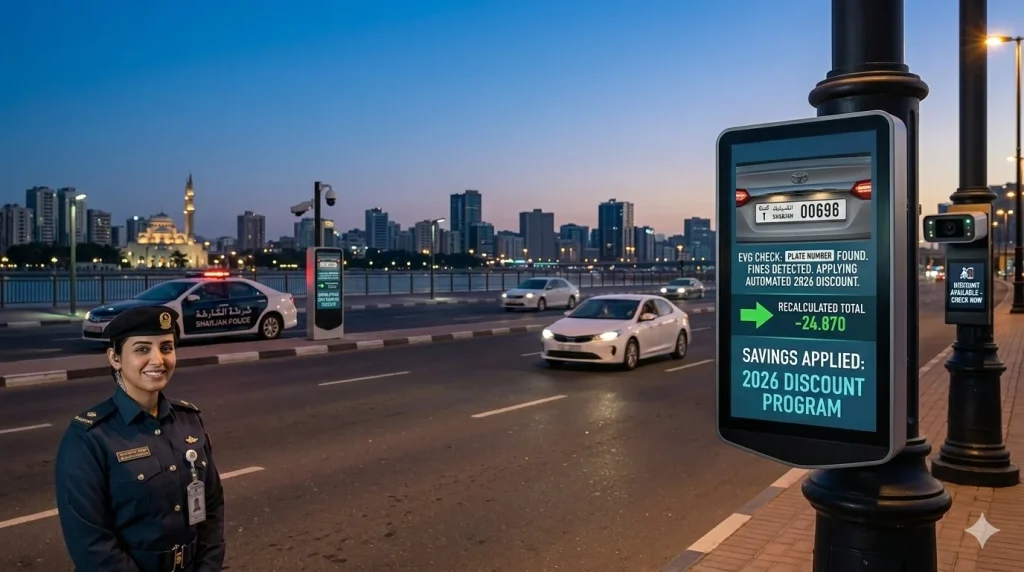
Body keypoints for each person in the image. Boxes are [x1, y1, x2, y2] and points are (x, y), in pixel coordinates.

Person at [55, 305, 225, 571]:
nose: (158, 360)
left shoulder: (189, 420)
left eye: (166, 348)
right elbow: (90, 543)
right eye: (142, 349)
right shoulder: (90, 437)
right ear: (115, 357)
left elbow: (212, 509)